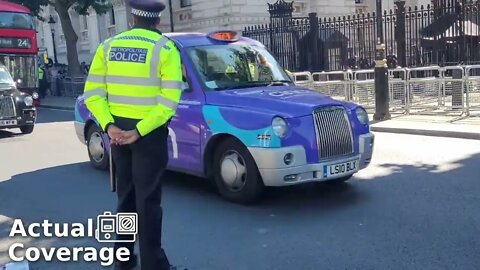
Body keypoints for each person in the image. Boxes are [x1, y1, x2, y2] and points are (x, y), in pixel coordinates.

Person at [82, 0, 186, 269]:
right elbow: (168, 101)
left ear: (132, 19)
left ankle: (123, 261)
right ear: (158, 21)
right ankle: (153, 264)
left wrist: (109, 126)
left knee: (125, 199)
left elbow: (93, 94)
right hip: (147, 136)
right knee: (148, 201)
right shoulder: (166, 48)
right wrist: (138, 132)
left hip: (117, 135)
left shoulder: (108, 47)